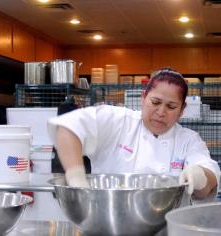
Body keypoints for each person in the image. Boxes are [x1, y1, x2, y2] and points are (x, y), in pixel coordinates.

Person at [47, 68, 220, 199]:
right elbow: (67, 128)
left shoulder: (188, 140)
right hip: (109, 221)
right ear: (143, 97)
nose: (161, 112)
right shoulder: (118, 121)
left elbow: (208, 182)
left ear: (182, 110)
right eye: (155, 102)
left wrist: (200, 176)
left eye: (171, 106)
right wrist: (76, 178)